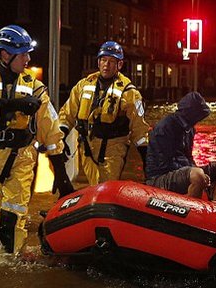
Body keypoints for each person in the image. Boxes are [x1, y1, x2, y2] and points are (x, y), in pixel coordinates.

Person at [0, 24, 71, 254]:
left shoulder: (35, 87)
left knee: (12, 216)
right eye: (23, 53)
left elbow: (50, 130)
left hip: (21, 155)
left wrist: (61, 174)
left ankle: (13, 262)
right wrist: (10, 105)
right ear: (5, 54)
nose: (28, 58)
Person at [58, 41, 150, 187]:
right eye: (103, 60)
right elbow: (67, 114)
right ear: (99, 62)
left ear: (119, 65)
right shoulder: (83, 85)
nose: (106, 65)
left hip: (113, 148)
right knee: (92, 186)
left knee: (106, 187)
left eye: (111, 61)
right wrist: (61, 137)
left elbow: (139, 129)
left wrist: (146, 158)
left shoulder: (130, 93)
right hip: (86, 146)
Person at [144, 91, 216, 198]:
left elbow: (188, 157)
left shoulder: (189, 129)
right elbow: (164, 164)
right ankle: (192, 209)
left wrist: (195, 169)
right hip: (160, 176)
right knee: (197, 176)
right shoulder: (164, 128)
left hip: (181, 170)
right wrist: (193, 172)